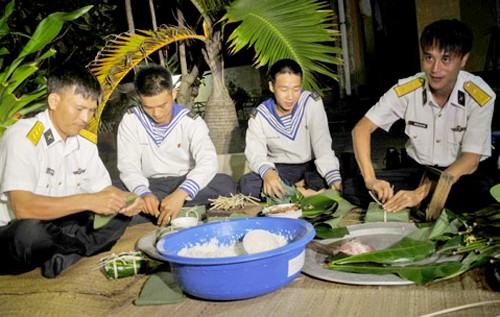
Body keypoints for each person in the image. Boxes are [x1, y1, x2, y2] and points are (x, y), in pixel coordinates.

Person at [0, 65, 144, 278]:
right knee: (31, 235)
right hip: (16, 229)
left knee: (119, 213)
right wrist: (88, 201)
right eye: (79, 109)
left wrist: (129, 199)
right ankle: (71, 250)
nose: (86, 118)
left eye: (91, 110)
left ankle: (63, 254)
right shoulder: (24, 137)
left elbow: (104, 189)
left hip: (63, 223)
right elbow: (23, 208)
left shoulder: (83, 144)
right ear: (54, 101)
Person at [351, 19, 496, 213]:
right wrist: (371, 180)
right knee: (354, 186)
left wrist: (421, 192)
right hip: (420, 171)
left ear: (463, 60)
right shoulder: (408, 89)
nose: (435, 69)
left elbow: (470, 160)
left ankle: (419, 202)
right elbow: (361, 129)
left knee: (480, 193)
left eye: (446, 59)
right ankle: (416, 202)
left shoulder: (479, 96)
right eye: (429, 58)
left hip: (460, 177)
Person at [116, 64, 237, 226]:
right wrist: (143, 193)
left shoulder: (190, 122)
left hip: (183, 182)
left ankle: (157, 210)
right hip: (150, 184)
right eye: (149, 107)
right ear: (140, 97)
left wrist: (182, 193)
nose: (157, 114)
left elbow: (208, 162)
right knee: (112, 192)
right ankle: (170, 208)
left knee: (225, 184)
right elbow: (128, 166)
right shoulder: (131, 121)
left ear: (173, 93)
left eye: (162, 105)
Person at [239, 59, 342, 199]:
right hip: (281, 170)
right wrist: (269, 173)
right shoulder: (259, 116)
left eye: (296, 89)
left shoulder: (311, 103)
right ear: (271, 86)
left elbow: (322, 145)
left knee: (343, 167)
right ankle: (300, 191)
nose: (290, 96)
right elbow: (256, 154)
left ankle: (290, 191)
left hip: (312, 167)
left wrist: (334, 179)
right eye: (284, 89)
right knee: (247, 184)